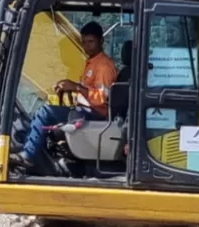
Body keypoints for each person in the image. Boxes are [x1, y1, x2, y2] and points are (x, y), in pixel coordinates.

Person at [10, 21, 118, 169]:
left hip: (96, 114)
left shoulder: (104, 66)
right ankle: (32, 150)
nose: (87, 46)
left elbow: (101, 99)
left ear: (101, 41)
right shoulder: (92, 63)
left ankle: (28, 155)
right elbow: (87, 92)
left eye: (91, 42)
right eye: (84, 42)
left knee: (45, 113)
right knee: (42, 114)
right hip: (86, 110)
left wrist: (75, 87)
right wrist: (68, 87)